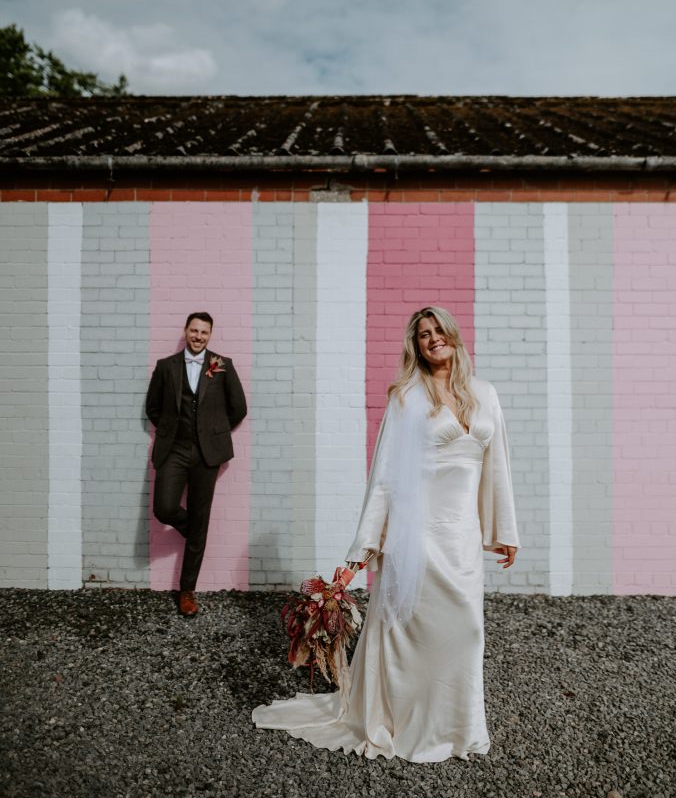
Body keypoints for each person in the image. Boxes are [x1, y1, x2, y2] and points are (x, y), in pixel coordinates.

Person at [253, 305, 520, 762]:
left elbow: (497, 467)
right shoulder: (406, 397)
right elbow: (384, 479)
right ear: (415, 346)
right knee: (410, 631)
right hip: (417, 539)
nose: (432, 338)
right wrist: (366, 546)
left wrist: (503, 531)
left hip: (462, 541)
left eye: (438, 330)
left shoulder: (484, 393)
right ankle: (405, 719)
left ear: (453, 335)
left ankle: (459, 728)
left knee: (467, 630)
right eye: (422, 335)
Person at [146, 312, 247, 617]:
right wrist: (170, 430)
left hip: (207, 454)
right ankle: (196, 531)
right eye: (194, 330)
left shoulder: (222, 365)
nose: (198, 336)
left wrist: (213, 432)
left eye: (204, 332)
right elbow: (152, 407)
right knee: (164, 508)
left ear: (210, 335)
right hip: (174, 449)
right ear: (186, 331)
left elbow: (238, 407)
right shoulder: (166, 366)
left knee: (202, 511)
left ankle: (187, 591)